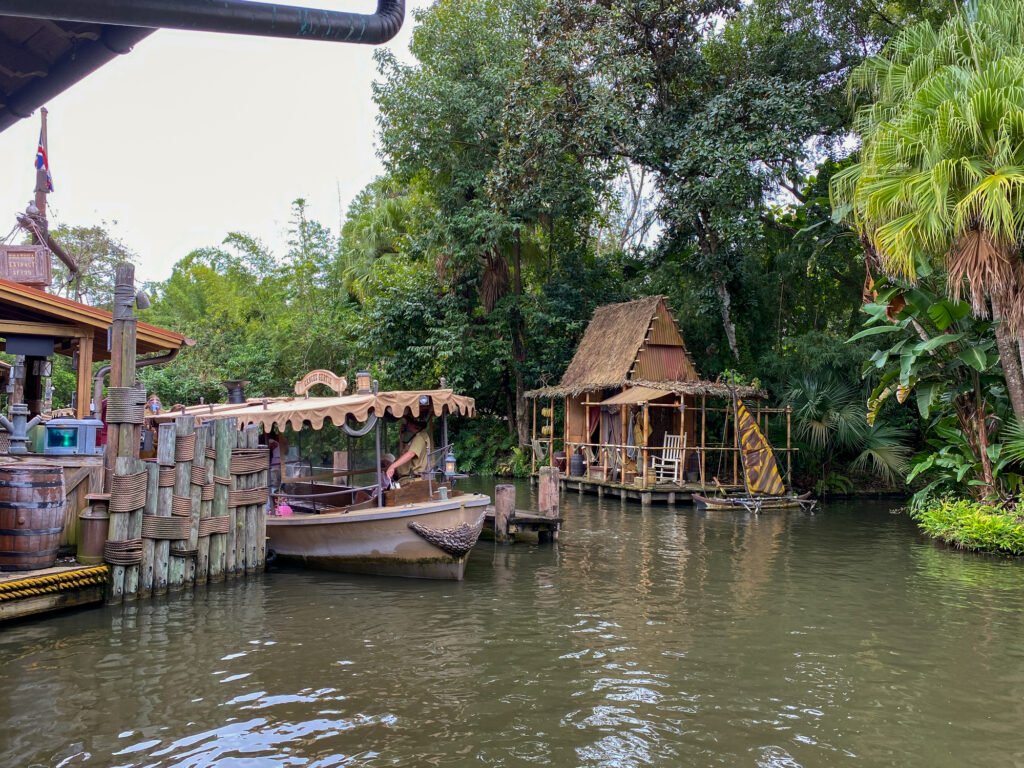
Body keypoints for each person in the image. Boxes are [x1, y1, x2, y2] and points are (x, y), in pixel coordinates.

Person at [386, 417, 431, 482]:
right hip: (407, 479)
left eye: (407, 423)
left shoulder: (420, 438)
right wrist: (401, 435)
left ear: (412, 424)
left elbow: (411, 454)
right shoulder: (416, 437)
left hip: (412, 480)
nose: (406, 425)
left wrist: (392, 466)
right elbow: (403, 453)